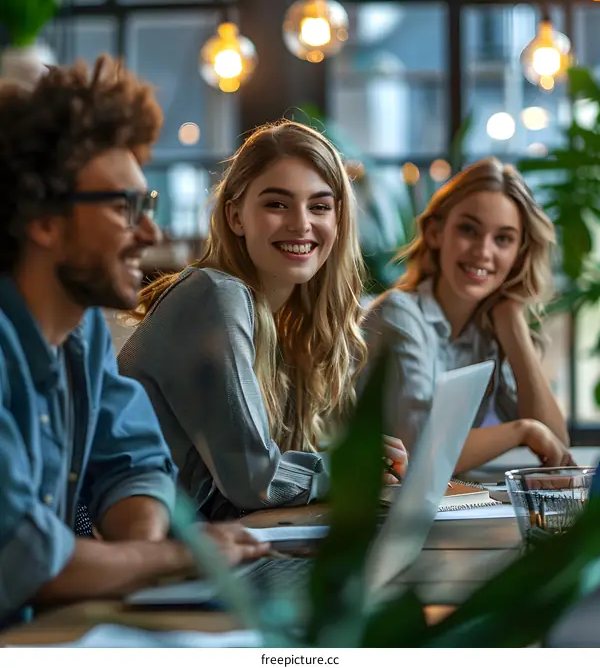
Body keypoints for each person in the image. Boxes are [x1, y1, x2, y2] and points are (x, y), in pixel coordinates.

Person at [0, 56, 267, 628]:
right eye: (124, 208)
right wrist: (169, 559)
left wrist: (143, 562)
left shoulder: (82, 328)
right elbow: (21, 561)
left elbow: (131, 462)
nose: (151, 233)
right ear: (44, 220)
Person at [119, 120, 407, 520]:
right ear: (235, 216)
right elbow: (255, 479)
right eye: (276, 204)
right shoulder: (218, 295)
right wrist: (349, 469)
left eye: (319, 206)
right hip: (135, 556)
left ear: (338, 221)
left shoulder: (281, 318)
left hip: (200, 541)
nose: (301, 223)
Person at [363, 157, 572, 472]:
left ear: (518, 255)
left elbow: (555, 445)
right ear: (435, 232)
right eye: (469, 229)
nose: (483, 251)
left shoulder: (486, 331)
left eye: (503, 238)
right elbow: (415, 455)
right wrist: (523, 431)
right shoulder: (398, 316)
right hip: (349, 511)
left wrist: (513, 325)